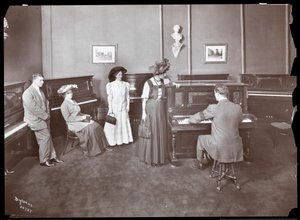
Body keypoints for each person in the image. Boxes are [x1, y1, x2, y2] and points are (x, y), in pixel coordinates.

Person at [189, 84, 244, 169]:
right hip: (235, 144)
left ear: (217, 93)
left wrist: (190, 119)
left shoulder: (214, 107)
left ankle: (199, 162)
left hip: (219, 144)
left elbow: (195, 119)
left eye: (215, 93)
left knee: (201, 138)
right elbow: (239, 121)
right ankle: (211, 157)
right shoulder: (238, 108)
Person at [58, 84, 112, 157]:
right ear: (64, 95)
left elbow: (79, 113)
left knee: (97, 125)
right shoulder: (64, 105)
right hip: (73, 123)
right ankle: (94, 150)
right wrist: (82, 118)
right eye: (68, 93)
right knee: (90, 129)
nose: (71, 94)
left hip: (80, 119)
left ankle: (104, 146)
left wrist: (86, 116)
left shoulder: (73, 101)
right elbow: (68, 118)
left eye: (71, 92)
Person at [22, 74, 63, 167]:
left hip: (44, 118)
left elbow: (46, 103)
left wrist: (48, 115)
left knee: (48, 137)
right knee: (45, 138)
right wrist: (46, 116)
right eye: (41, 80)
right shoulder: (28, 93)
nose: (43, 82)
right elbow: (34, 109)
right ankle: (44, 160)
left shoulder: (39, 90)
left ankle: (52, 156)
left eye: (43, 80)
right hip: (35, 120)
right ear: (34, 81)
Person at [138, 59, 171, 167]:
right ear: (159, 73)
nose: (166, 74)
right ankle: (151, 158)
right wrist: (143, 113)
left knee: (160, 130)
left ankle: (160, 157)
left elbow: (172, 84)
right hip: (151, 109)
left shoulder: (164, 81)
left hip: (161, 109)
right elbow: (144, 99)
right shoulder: (148, 83)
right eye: (164, 72)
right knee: (151, 131)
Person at [103, 66, 133, 146]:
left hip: (123, 107)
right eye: (119, 75)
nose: (121, 76)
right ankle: (113, 141)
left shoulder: (126, 84)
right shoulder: (111, 85)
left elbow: (127, 97)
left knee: (123, 122)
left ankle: (124, 140)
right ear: (115, 75)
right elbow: (110, 97)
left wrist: (128, 106)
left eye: (121, 74)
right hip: (115, 107)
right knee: (114, 124)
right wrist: (110, 108)